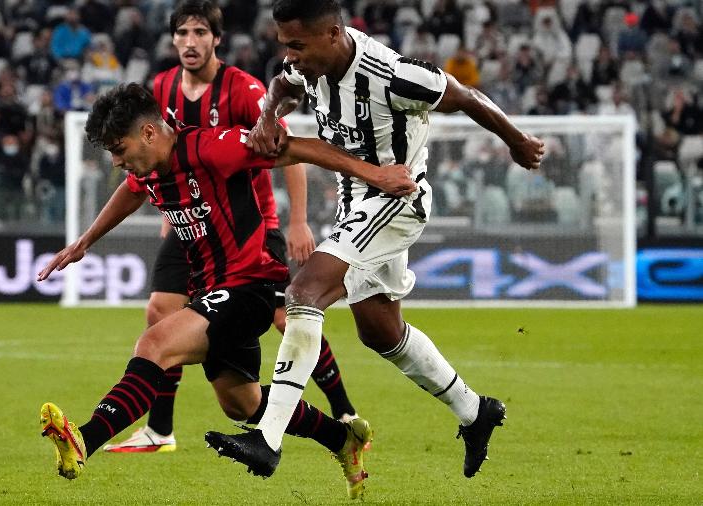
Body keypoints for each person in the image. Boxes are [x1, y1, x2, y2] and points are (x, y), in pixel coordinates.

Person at [204, 0, 545, 480]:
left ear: (333, 33)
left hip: (399, 198)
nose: (290, 55)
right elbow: (282, 83)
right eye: (285, 44)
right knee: (380, 330)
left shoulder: (395, 75)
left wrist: (516, 140)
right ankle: (475, 411)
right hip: (356, 203)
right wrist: (265, 119)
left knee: (304, 292)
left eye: (298, 45)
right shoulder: (308, 64)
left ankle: (268, 438)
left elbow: (466, 96)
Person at [35, 83, 415, 498]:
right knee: (243, 405)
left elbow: (295, 148)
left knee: (156, 343)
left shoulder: (213, 148)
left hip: (250, 286)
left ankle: (84, 440)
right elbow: (130, 192)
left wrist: (374, 174)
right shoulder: (149, 170)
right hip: (212, 291)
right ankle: (344, 440)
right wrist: (85, 242)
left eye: (119, 150)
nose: (117, 161)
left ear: (147, 133)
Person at [101, 0, 360, 456]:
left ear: (216, 39)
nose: (189, 42)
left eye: (199, 32)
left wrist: (297, 219)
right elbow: (152, 163)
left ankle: (343, 411)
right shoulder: (160, 88)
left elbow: (284, 149)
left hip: (249, 225)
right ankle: (159, 429)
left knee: (286, 316)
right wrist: (172, 210)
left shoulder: (241, 89)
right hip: (190, 225)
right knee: (160, 311)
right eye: (181, 33)